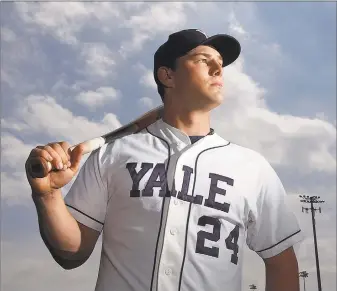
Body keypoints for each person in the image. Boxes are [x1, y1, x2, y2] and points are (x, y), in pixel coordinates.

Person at [25, 29, 304, 291]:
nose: (218, 69)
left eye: (220, 62)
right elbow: (72, 253)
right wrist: (49, 195)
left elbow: (281, 262)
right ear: (167, 76)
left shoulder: (252, 167)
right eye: (203, 60)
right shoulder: (113, 154)